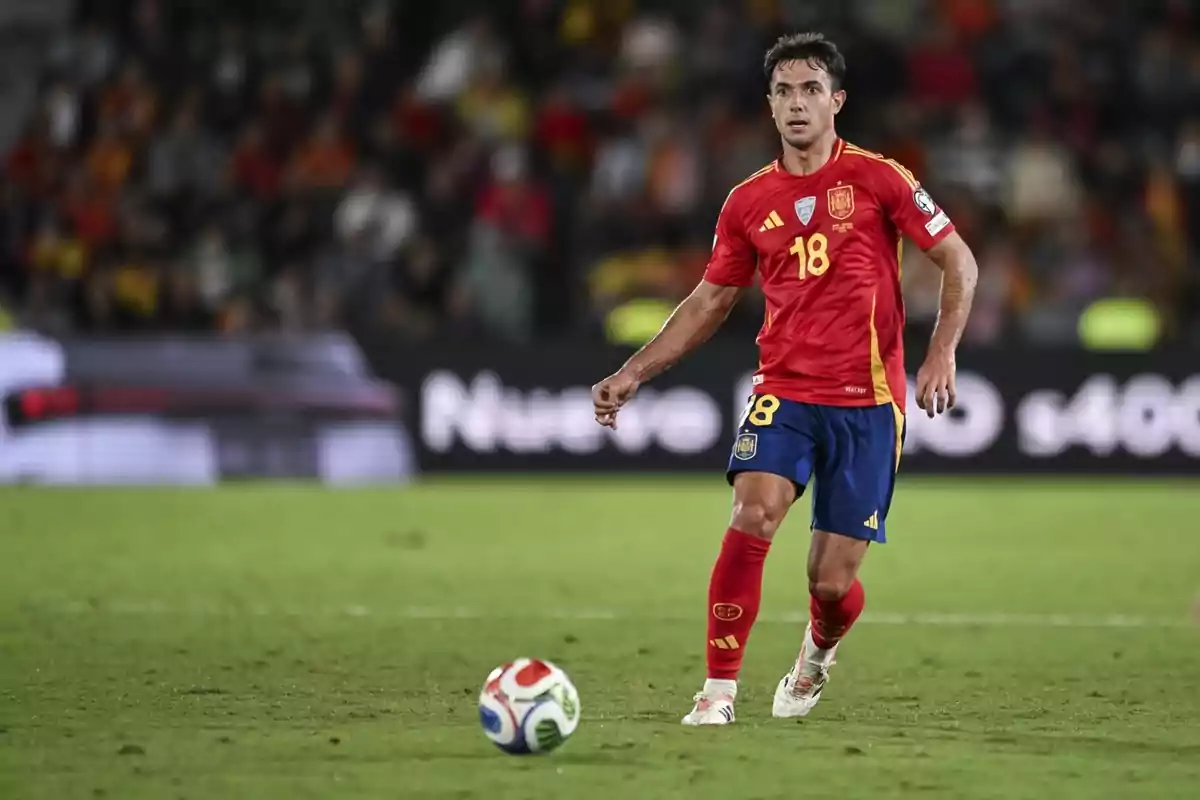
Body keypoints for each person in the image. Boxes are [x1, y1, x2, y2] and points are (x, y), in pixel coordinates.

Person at [590, 32, 978, 725]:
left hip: (868, 402)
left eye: (810, 90)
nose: (797, 103)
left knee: (829, 583)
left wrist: (942, 350)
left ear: (837, 101)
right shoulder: (747, 202)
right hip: (784, 392)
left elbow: (959, 260)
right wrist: (634, 370)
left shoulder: (880, 178)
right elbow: (710, 301)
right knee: (753, 514)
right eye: (783, 91)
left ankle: (817, 654)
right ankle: (717, 692)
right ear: (769, 106)